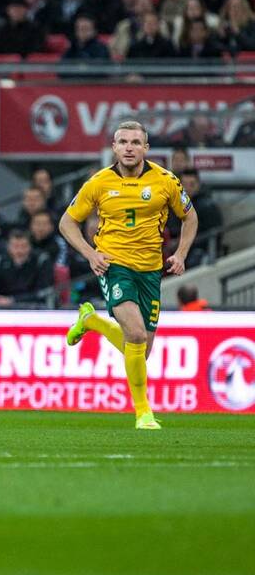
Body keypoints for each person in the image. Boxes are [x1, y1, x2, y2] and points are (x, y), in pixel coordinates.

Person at [61, 121, 199, 430]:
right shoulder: (98, 183)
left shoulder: (165, 181)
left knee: (140, 349)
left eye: (136, 142)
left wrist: (181, 253)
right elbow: (67, 223)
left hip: (150, 270)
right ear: (114, 147)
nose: (129, 147)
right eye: (122, 141)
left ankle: (91, 322)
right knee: (135, 335)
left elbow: (190, 217)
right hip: (114, 265)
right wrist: (91, 253)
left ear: (146, 149)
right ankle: (143, 413)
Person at [0, 230, 55, 306]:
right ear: (8, 247)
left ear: (30, 246)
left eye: (23, 246)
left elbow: (43, 292)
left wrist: (12, 300)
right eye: (15, 246)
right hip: (3, 308)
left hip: (34, 308)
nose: (19, 251)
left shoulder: (41, 261)